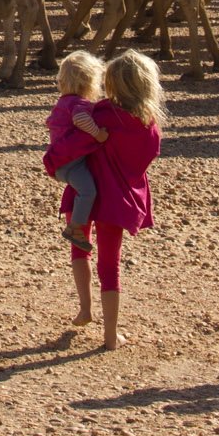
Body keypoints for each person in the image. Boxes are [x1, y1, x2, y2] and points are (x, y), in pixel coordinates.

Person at [52, 50, 164, 349]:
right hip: (117, 200)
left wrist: (54, 162)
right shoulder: (149, 126)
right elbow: (142, 161)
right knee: (110, 265)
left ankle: (85, 308)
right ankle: (111, 334)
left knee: (79, 249)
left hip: (83, 193)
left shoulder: (99, 115)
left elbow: (70, 143)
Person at [43, 51, 110, 253]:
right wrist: (98, 134)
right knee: (88, 190)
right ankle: (75, 227)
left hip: (64, 160)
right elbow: (81, 120)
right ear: (89, 82)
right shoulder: (78, 104)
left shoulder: (63, 102)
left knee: (84, 188)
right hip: (70, 162)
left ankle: (78, 227)